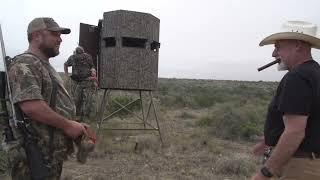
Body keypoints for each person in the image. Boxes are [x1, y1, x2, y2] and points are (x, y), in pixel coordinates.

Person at [7, 17, 90, 180]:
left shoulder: (43, 65)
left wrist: (76, 125)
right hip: (34, 155)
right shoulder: (25, 63)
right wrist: (67, 125)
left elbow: (53, 104)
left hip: (50, 152)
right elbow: (31, 106)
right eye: (54, 34)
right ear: (37, 35)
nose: (60, 39)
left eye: (61, 35)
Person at [251, 21, 320, 180]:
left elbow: (294, 132)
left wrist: (265, 173)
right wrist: (271, 139)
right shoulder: (315, 73)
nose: (274, 54)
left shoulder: (297, 77)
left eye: (278, 47)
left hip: (299, 167)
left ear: (297, 45)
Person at [64, 46, 98, 121]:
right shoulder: (87, 56)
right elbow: (92, 68)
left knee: (77, 100)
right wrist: (94, 78)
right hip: (85, 81)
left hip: (81, 81)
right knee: (85, 100)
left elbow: (65, 64)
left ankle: (78, 117)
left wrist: (66, 75)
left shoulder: (73, 57)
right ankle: (82, 117)